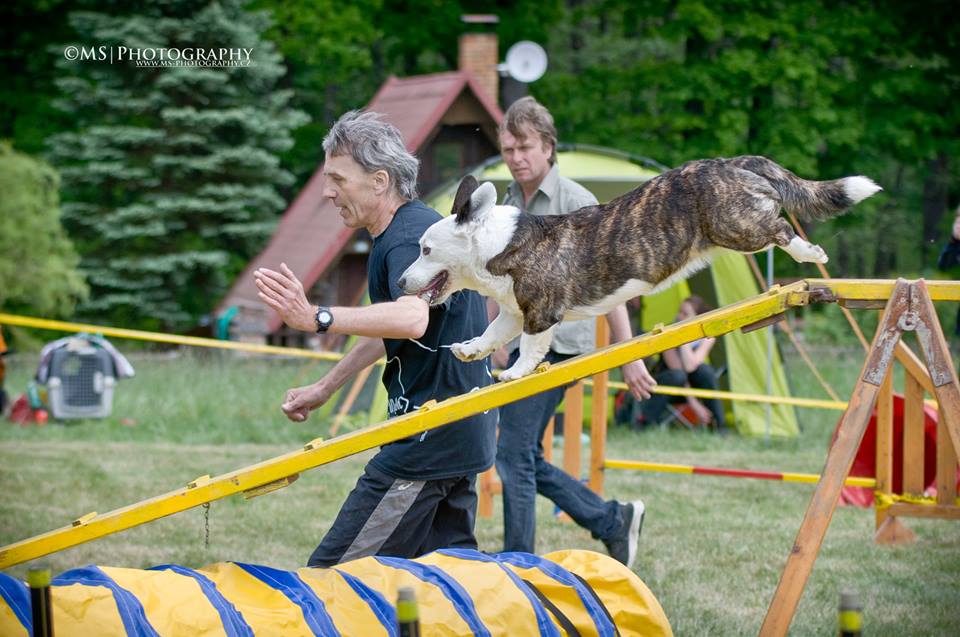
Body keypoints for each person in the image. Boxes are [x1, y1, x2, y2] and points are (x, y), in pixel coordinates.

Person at [254, 110, 496, 567]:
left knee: (335, 576)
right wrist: (327, 387)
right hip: (462, 428)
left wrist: (316, 318)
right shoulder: (408, 230)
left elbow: (410, 321)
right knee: (446, 581)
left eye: (338, 179)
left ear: (380, 180)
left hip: (426, 439)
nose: (327, 191)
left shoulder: (407, 239)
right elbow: (389, 330)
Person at [492, 96, 657, 568]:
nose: (516, 158)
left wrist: (631, 357)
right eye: (508, 149)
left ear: (547, 146)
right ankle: (611, 520)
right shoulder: (506, 203)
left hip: (560, 348)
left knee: (514, 452)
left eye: (524, 147)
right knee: (520, 455)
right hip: (522, 344)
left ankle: (518, 561)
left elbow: (614, 286)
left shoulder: (577, 203)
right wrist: (497, 341)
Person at [640, 295, 728, 431]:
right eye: (679, 312)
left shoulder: (708, 337)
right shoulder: (667, 335)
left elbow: (691, 366)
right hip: (667, 385)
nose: (680, 316)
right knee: (678, 375)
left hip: (690, 385)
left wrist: (684, 340)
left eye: (685, 314)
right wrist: (694, 405)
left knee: (706, 372)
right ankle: (646, 424)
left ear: (697, 318)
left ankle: (719, 426)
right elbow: (680, 372)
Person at [937, 205, 960, 349]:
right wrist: (954, 241)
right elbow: (944, 267)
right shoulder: (954, 247)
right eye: (957, 222)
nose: (958, 226)